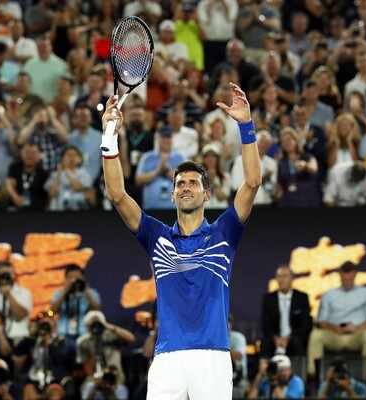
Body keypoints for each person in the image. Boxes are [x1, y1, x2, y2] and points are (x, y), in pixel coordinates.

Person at [100, 81, 261, 399]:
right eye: (181, 183)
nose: (186, 186)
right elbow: (117, 195)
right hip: (167, 358)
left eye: (193, 182)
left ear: (207, 194)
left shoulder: (224, 232)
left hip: (212, 357)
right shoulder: (156, 236)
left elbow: (253, 182)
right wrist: (109, 135)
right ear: (172, 194)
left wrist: (246, 126)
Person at [307, 261, 366, 382]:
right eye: (344, 279)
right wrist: (334, 328)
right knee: (315, 335)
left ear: (355, 275)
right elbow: (321, 321)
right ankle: (314, 376)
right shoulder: (329, 294)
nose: (347, 282)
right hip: (334, 335)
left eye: (350, 279)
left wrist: (356, 328)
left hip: (356, 334)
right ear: (340, 276)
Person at [261, 265, 312, 357]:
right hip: (275, 338)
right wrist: (276, 338)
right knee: (265, 343)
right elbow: (266, 323)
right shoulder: (269, 299)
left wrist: (288, 338)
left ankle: (299, 371)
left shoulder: (301, 298)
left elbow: (305, 324)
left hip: (294, 337)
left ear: (292, 279)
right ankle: (263, 370)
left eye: (285, 276)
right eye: (279, 276)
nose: (282, 280)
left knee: (298, 342)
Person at [75, 311, 135, 386]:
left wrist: (109, 326)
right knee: (88, 388)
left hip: (116, 376)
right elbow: (89, 371)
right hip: (95, 379)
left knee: (120, 390)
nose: (96, 328)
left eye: (98, 324)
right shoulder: (83, 342)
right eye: (93, 325)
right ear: (87, 327)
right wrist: (94, 346)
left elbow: (131, 338)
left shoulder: (111, 336)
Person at [50, 264, 101, 351]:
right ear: (65, 279)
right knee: (58, 348)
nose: (74, 281)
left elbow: (98, 311)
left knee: (90, 346)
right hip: (63, 334)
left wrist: (89, 297)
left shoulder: (91, 293)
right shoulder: (59, 294)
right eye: (71, 278)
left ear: (83, 278)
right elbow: (52, 312)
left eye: (77, 278)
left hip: (84, 333)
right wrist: (65, 292)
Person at [135, 126, 187, 210]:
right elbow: (138, 180)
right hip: (151, 208)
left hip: (175, 209)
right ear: (158, 139)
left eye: (168, 137)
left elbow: (185, 181)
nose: (166, 140)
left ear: (172, 139)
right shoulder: (148, 157)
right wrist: (157, 171)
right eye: (163, 137)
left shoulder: (180, 158)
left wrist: (167, 170)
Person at [6, 142, 50, 211]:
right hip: (16, 204)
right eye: (27, 152)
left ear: (38, 155)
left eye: (33, 153)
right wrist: (15, 197)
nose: (29, 156)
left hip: (36, 208)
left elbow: (45, 196)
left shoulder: (43, 174)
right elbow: (10, 184)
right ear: (21, 153)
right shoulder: (14, 168)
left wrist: (28, 202)